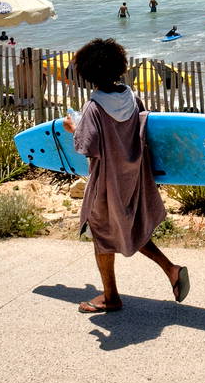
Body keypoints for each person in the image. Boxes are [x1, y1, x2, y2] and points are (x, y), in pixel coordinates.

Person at [63, 38, 186, 313]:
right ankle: (171, 270)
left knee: (102, 234)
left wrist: (73, 127)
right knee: (130, 229)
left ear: (88, 74)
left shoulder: (94, 107)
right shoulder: (132, 97)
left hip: (108, 184)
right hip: (133, 178)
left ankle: (110, 297)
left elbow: (88, 146)